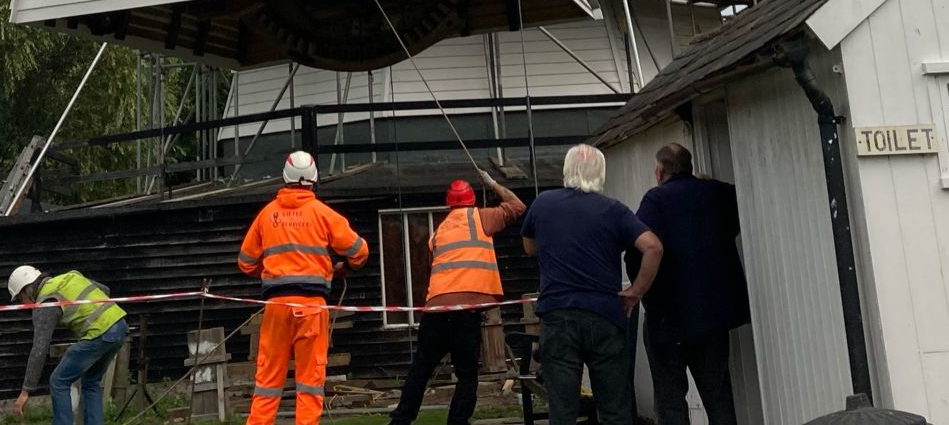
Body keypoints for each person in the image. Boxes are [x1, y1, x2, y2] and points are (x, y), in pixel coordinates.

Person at [519, 144, 662, 425]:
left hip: (558, 315)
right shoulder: (614, 210)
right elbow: (653, 247)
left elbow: (529, 248)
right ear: (601, 172)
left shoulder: (543, 203)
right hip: (605, 315)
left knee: (562, 409)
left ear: (566, 169)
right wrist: (636, 292)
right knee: (614, 408)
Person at [238, 150, 369, 425]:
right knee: (310, 383)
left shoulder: (267, 215)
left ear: (285, 178)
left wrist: (272, 273)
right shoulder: (323, 214)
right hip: (311, 308)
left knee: (267, 382)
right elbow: (360, 250)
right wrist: (345, 268)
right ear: (313, 180)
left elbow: (245, 262)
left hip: (276, 307)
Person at [387, 169, 526, 425]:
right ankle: (457, 422)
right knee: (467, 374)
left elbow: (433, 265)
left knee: (421, 369)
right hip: (465, 313)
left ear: (449, 203)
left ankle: (400, 421)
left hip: (436, 311)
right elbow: (517, 206)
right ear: (472, 200)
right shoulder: (482, 217)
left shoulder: (440, 231)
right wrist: (493, 183)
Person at [633, 144, 750, 425]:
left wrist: (640, 291)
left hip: (668, 317)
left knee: (671, 399)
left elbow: (638, 249)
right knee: (718, 395)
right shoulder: (719, 194)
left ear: (660, 171)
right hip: (714, 314)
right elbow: (735, 213)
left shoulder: (655, 200)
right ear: (690, 167)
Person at [7, 263, 130, 425]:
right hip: (120, 326)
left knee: (58, 381)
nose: (23, 305)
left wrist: (26, 390)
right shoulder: (70, 276)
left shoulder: (46, 303)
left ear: (25, 290)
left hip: (100, 333)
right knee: (91, 381)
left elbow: (39, 348)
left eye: (20, 299)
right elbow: (105, 290)